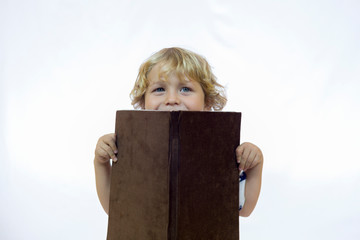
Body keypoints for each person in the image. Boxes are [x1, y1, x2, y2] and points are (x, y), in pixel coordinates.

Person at [94, 47, 263, 217]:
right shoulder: (131, 147)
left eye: (185, 89)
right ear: (143, 102)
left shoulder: (218, 149)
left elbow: (244, 209)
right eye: (159, 89)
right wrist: (101, 163)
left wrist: (254, 166)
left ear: (207, 103)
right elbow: (115, 209)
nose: (172, 100)